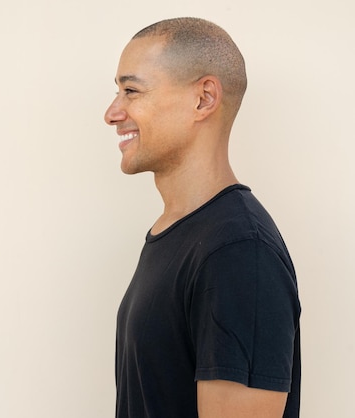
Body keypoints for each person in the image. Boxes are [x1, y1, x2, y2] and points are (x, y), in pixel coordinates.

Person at [104, 18, 301, 417]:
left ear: (203, 99)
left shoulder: (239, 253)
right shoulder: (177, 234)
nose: (112, 112)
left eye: (131, 91)